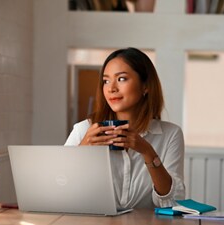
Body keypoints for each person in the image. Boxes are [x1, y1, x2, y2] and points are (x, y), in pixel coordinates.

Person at [65, 47, 185, 209]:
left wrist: (147, 152)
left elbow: (171, 202)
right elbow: (62, 189)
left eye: (121, 79)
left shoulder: (170, 134)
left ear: (145, 86)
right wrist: (83, 150)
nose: (111, 88)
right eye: (106, 81)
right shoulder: (84, 130)